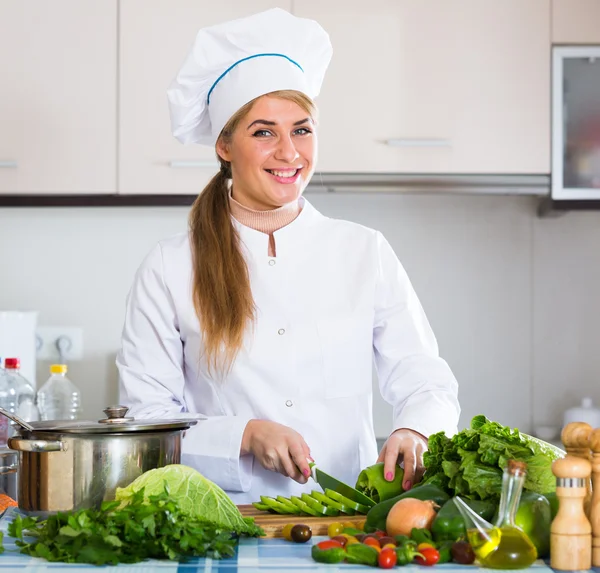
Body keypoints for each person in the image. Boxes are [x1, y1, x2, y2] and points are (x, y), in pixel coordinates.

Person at [117, 8, 460, 504]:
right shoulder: (171, 266)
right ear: (224, 145)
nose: (289, 152)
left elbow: (424, 377)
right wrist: (245, 434)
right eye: (263, 132)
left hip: (344, 524)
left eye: (301, 129)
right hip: (219, 524)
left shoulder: (364, 251)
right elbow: (146, 424)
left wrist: (417, 429)